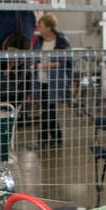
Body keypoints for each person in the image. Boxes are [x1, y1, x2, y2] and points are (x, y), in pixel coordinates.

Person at [31, 12, 71, 146]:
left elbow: (67, 61)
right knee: (47, 110)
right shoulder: (39, 41)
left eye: (41, 26)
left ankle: (43, 138)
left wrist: (50, 65)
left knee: (48, 109)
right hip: (41, 80)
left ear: (49, 27)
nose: (39, 29)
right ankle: (55, 137)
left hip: (54, 81)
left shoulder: (61, 41)